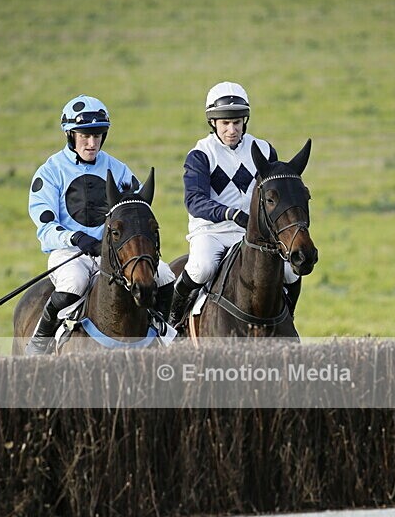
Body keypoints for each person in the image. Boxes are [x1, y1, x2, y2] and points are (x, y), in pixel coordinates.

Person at [26, 94, 175, 355]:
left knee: (164, 275)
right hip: (71, 254)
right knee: (74, 282)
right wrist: (75, 239)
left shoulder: (118, 169)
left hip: (114, 255)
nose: (92, 143)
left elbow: (138, 215)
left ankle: (161, 326)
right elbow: (45, 225)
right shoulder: (50, 172)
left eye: (97, 136)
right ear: (70, 135)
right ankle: (40, 344)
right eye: (85, 136)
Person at [168, 81, 302, 326]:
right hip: (212, 232)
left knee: (290, 272)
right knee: (202, 267)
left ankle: (287, 318)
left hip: (254, 233)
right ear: (213, 123)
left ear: (245, 122)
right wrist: (230, 214)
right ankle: (173, 323)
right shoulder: (200, 154)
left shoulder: (263, 149)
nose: (232, 130)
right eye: (225, 123)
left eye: (237, 123)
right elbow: (195, 201)